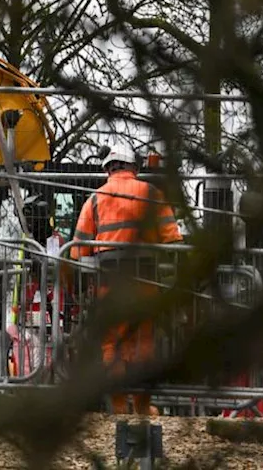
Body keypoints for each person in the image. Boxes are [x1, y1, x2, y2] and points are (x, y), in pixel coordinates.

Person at [72, 144, 182, 416]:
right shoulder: (152, 193)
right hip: (146, 284)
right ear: (134, 167)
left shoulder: (95, 199)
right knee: (143, 344)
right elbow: (174, 241)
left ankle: (120, 408)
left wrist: (76, 285)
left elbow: (76, 250)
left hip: (110, 285)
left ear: (109, 168)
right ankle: (143, 408)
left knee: (112, 344)